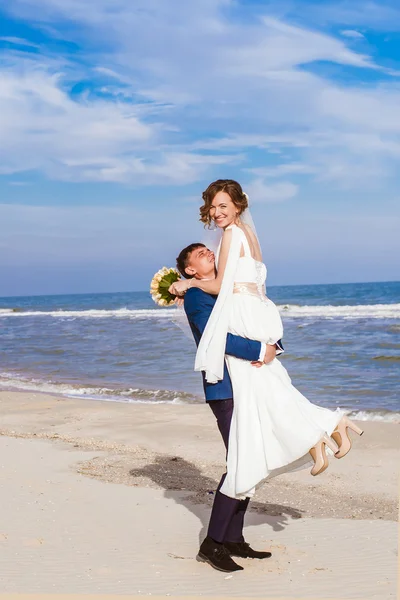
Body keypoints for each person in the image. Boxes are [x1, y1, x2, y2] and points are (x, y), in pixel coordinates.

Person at [171, 179, 364, 503]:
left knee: (264, 392)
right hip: (259, 310)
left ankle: (325, 428)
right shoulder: (249, 235)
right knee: (274, 388)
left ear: (237, 207)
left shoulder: (232, 234)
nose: (217, 213)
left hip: (245, 313)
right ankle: (321, 433)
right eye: (213, 207)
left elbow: (219, 285)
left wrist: (188, 283)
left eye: (223, 206)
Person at [176, 242, 283, 572]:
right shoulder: (196, 297)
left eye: (208, 248)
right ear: (191, 270)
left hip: (248, 384)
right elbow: (216, 336)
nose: (208, 252)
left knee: (253, 456)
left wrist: (273, 344)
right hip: (224, 388)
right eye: (199, 254)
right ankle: (212, 543)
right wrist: (257, 349)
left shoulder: (225, 290)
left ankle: (233, 538)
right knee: (240, 460)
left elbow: (254, 316)